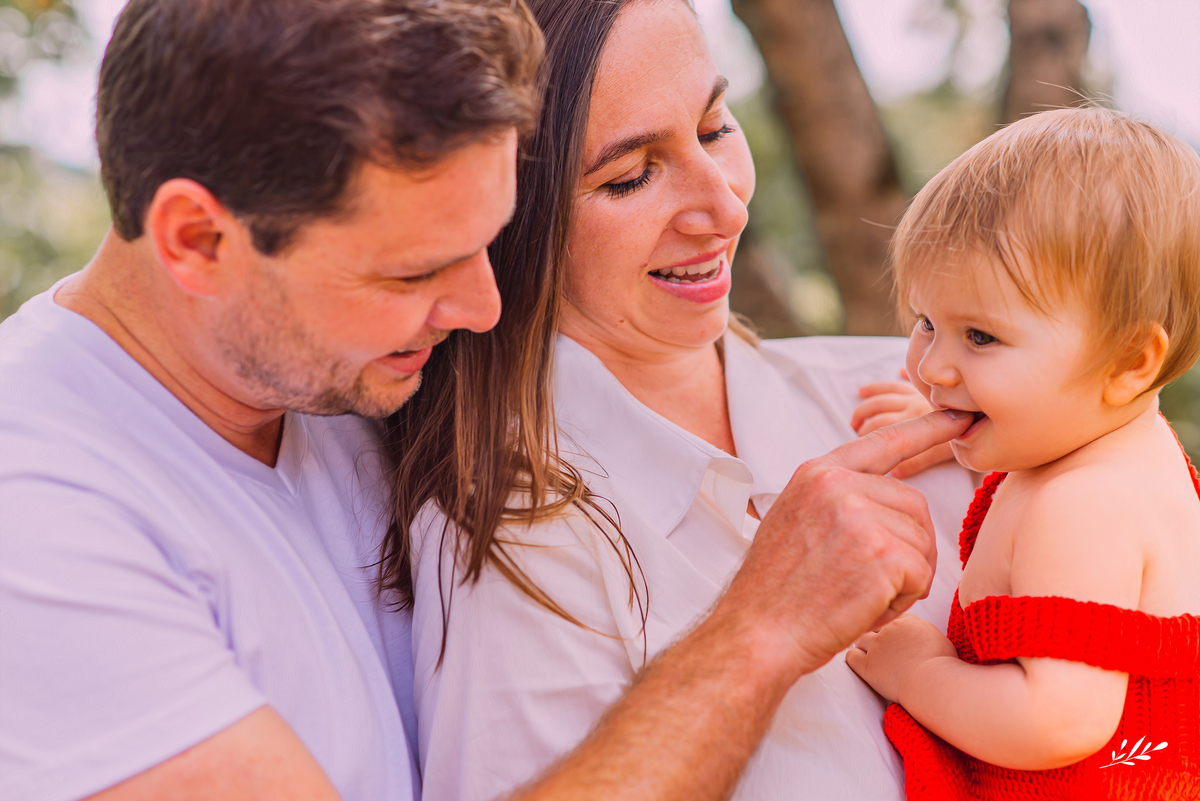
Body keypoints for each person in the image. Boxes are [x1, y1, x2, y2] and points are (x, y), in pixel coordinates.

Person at [0, 1, 968, 801]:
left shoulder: (339, 384)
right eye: (414, 271)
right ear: (198, 240)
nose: (484, 308)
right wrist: (760, 629)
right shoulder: (38, 518)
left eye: (489, 243)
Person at [385, 1, 978, 799]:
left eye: (714, 127)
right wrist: (762, 625)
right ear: (504, 219)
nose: (727, 208)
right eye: (630, 176)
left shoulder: (921, 394)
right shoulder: (507, 541)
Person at [847, 109, 1200, 799]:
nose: (931, 367)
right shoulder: (1100, 441)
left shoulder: (1083, 508)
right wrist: (962, 431)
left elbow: (1056, 721)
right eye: (926, 322)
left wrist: (920, 673)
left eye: (979, 337)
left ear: (1130, 361)